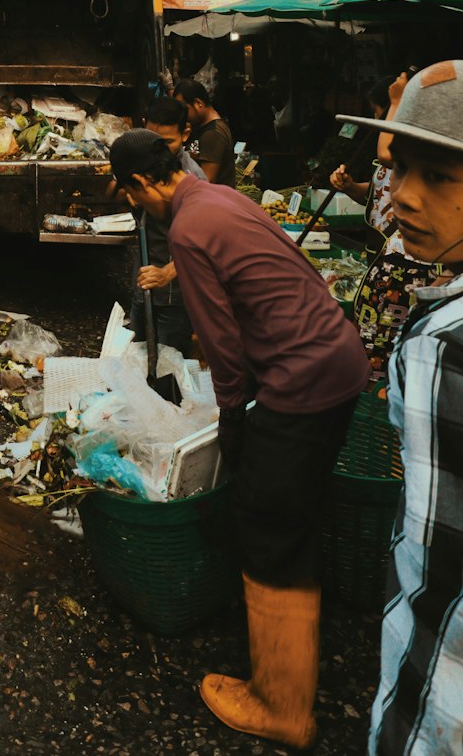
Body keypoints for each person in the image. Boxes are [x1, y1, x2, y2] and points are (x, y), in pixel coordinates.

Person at [109, 130, 369, 749]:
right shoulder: (222, 197)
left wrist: (233, 418)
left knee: (267, 519)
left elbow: (220, 341)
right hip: (340, 359)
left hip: (300, 378)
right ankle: (299, 649)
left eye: (130, 193)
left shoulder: (186, 230)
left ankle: (282, 704)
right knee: (293, 509)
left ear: (142, 186)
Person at [339, 63, 463, 756]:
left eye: (440, 177)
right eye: (400, 168)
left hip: (454, 702)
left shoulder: (454, 347)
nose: (402, 197)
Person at [332, 72, 447, 389]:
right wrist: (353, 186)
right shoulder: (421, 156)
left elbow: (388, 153)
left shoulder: (425, 147)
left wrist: (397, 100)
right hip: (394, 265)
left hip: (408, 274)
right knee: (380, 364)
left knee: (383, 367)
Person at [127, 96, 205, 356]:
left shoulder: (192, 178)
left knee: (168, 366)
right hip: (144, 283)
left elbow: (201, 244)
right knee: (138, 357)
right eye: (152, 141)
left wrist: (167, 274)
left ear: (185, 134)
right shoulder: (147, 164)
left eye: (167, 143)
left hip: (174, 296)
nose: (158, 150)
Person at [173, 78, 237, 186]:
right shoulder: (202, 127)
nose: (182, 115)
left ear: (198, 103)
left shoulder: (213, 134)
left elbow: (207, 183)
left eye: (184, 109)